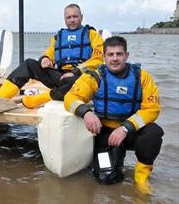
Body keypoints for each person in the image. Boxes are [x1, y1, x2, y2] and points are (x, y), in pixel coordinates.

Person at [64, 36, 163, 194]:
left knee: (153, 133)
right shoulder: (94, 76)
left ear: (127, 55)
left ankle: (141, 176)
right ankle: (112, 162)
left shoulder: (142, 77)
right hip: (105, 133)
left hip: (130, 132)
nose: (115, 58)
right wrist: (87, 113)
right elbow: (70, 98)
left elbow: (153, 108)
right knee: (106, 179)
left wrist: (125, 129)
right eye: (110, 54)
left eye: (119, 54)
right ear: (104, 57)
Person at [0, 4, 103, 108]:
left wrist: (76, 71)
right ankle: (2, 94)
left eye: (75, 16)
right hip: (59, 76)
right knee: (29, 63)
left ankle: (40, 99)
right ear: (64, 19)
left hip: (80, 77)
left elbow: (99, 58)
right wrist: (46, 58)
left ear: (81, 17)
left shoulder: (92, 34)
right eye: (69, 17)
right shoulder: (58, 37)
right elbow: (50, 52)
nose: (72, 20)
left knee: (72, 83)